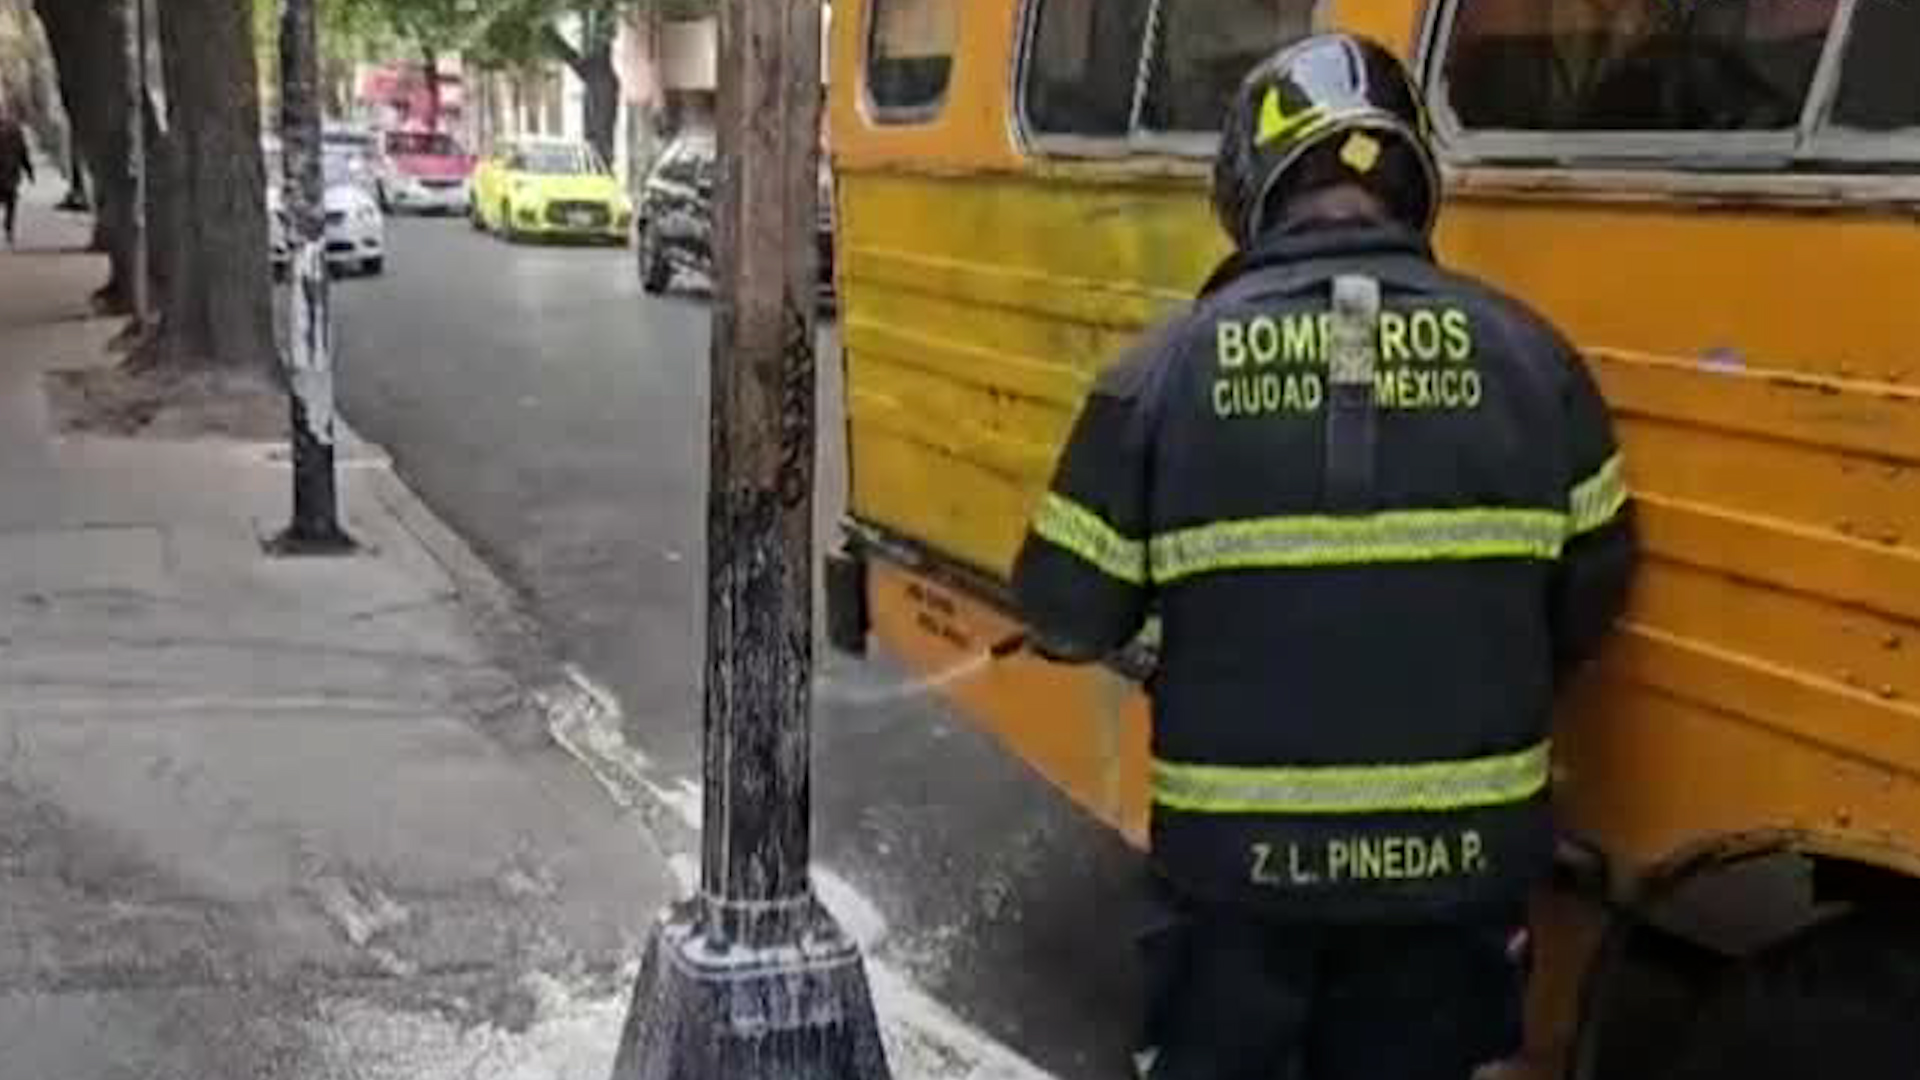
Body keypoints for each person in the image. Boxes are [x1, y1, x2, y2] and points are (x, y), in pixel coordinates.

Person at [1011, 32, 1638, 1080]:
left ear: (1249, 191)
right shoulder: (1540, 365)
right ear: (1412, 182)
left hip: (1238, 895)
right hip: (1461, 887)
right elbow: (1594, 594)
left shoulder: (1159, 378)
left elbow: (1065, 611)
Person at [0, 107, 35, 248]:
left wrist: (29, 170)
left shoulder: (15, 130)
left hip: (8, 172)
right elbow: (23, 151)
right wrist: (29, 171)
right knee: (10, 203)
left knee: (10, 202)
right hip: (10, 173)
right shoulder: (15, 130)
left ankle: (8, 228)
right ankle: (8, 228)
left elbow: (22, 151)